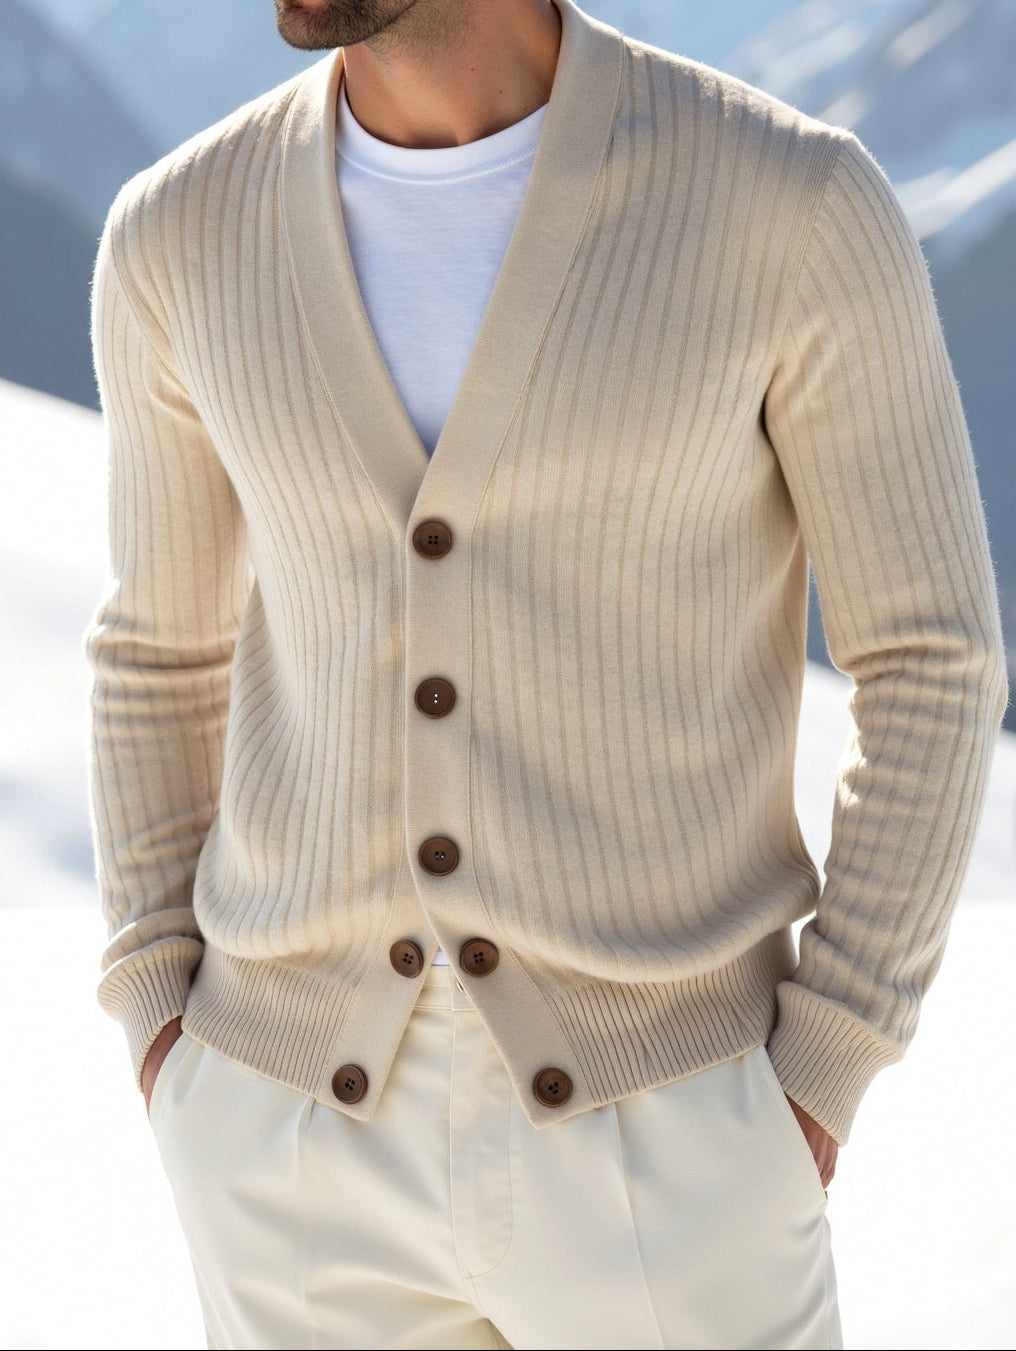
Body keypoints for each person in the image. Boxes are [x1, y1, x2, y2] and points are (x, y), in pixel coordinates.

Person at [86, 1, 1007, 1347]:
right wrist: (163, 1020)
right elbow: (158, 650)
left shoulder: (786, 203)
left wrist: (824, 1067)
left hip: (676, 1136)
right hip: (281, 1142)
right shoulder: (176, 233)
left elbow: (931, 653)